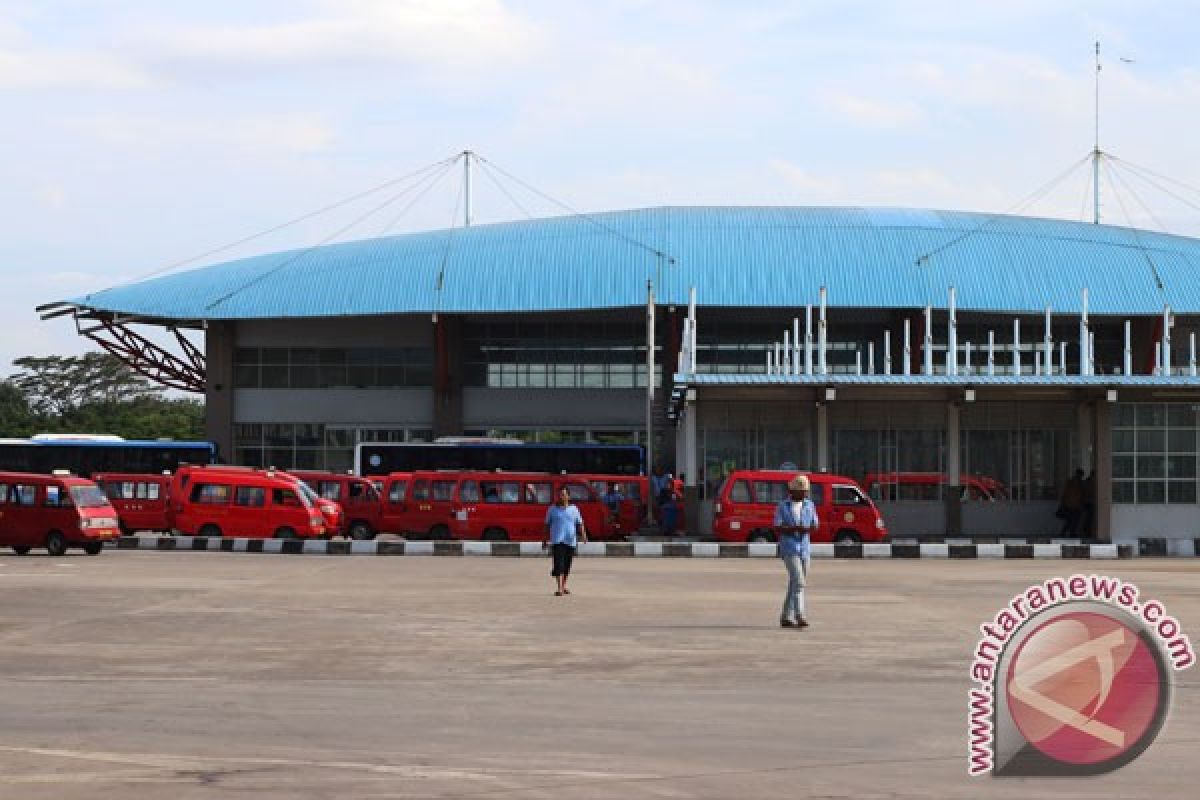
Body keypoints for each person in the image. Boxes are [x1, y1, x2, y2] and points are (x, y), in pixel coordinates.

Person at [773, 474, 817, 629]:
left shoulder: (810, 505)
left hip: (804, 548)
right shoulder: (783, 506)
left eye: (806, 491)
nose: (805, 493)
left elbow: (815, 525)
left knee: (794, 583)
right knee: (799, 582)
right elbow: (777, 526)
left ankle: (785, 616)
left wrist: (806, 529)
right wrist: (793, 529)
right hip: (789, 548)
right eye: (802, 491)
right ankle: (800, 615)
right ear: (793, 491)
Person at [543, 486, 588, 596]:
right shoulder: (552, 509)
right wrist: (544, 540)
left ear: (568, 496)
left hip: (570, 541)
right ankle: (559, 588)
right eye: (560, 494)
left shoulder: (574, 509)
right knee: (559, 564)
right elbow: (546, 525)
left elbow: (580, 523)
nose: (561, 497)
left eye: (563, 494)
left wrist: (583, 535)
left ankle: (563, 586)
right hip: (557, 541)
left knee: (567, 565)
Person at [1058, 469, 1086, 535]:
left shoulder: (1071, 482)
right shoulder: (1078, 484)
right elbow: (1079, 495)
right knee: (1073, 520)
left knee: (1071, 520)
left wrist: (1063, 503)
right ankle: (1069, 533)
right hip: (1074, 505)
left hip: (1070, 505)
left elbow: (1065, 493)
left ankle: (1066, 533)